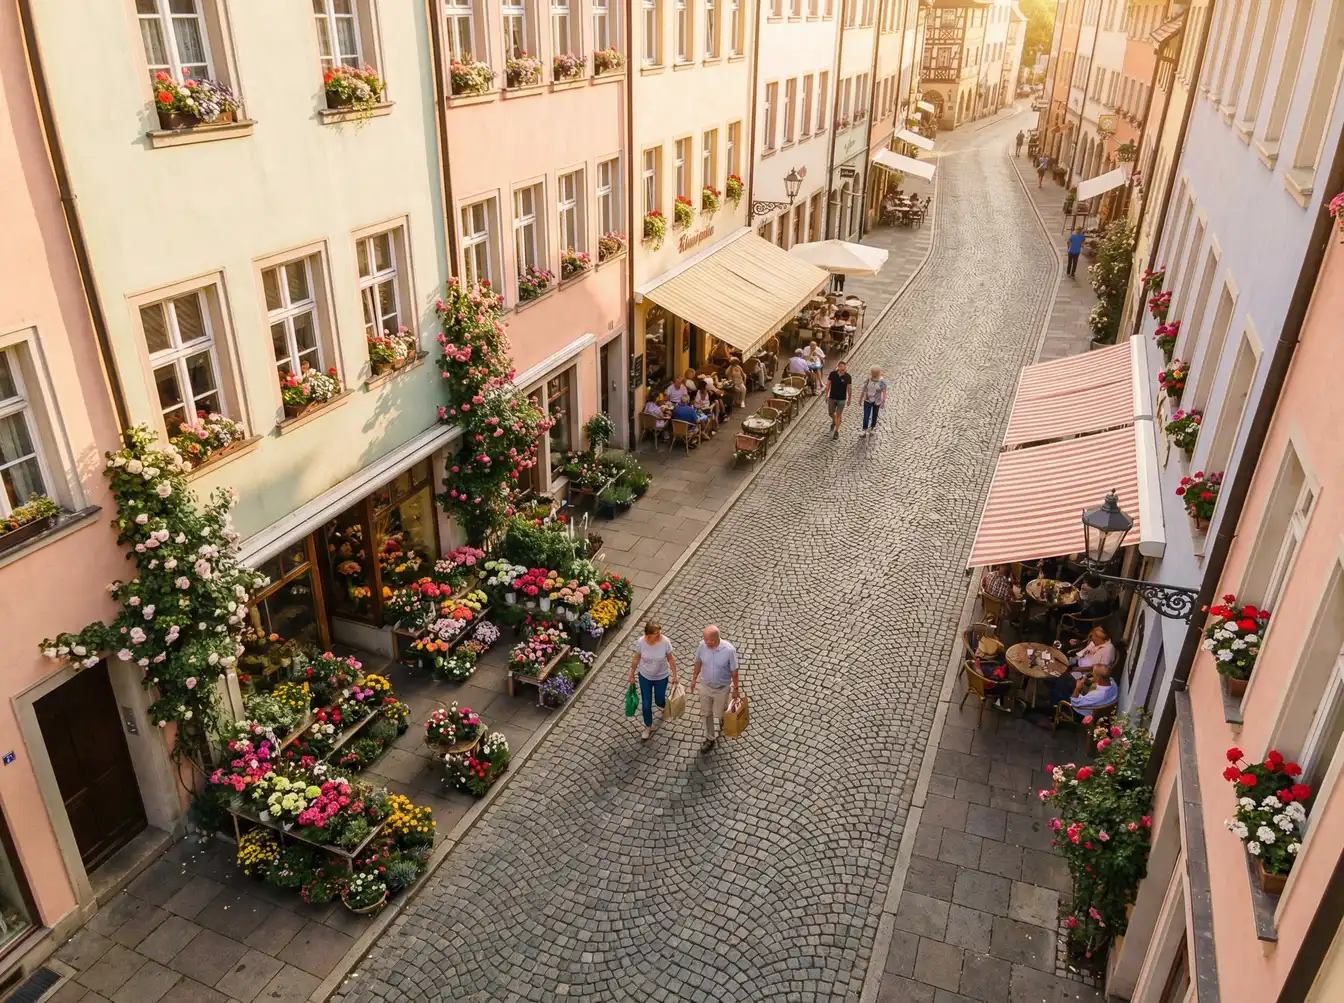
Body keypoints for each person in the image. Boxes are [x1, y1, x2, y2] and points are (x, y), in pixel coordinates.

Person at [689, 625, 739, 753]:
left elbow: (734, 672)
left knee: (719, 712)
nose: (705, 642)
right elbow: (698, 662)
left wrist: (735, 689)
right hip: (705, 686)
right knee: (706, 713)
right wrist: (694, 679)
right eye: (704, 639)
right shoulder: (702, 646)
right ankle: (710, 738)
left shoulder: (729, 651)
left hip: (722, 689)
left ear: (715, 639)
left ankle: (723, 717)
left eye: (708, 640)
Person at [628, 620, 678, 741]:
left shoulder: (665, 641)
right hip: (645, 677)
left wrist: (675, 676)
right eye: (657, 633)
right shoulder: (641, 642)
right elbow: (636, 658)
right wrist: (632, 674)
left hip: (661, 677)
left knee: (659, 700)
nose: (660, 634)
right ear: (649, 634)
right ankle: (648, 726)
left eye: (660, 631)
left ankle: (664, 706)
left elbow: (671, 659)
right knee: (646, 704)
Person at [1050, 662, 1118, 721]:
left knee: (1058, 689)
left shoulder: (1097, 695)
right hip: (1092, 703)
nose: (1092, 674)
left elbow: (1074, 702)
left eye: (1093, 674)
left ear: (1097, 679)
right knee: (1066, 680)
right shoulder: (1113, 683)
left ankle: (1052, 705)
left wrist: (1077, 688)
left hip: (1079, 713)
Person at [825, 361, 852, 440]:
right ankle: (834, 421)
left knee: (838, 415)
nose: (843, 369)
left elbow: (849, 388)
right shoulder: (832, 374)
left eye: (844, 368)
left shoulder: (848, 377)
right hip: (832, 397)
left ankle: (836, 431)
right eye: (842, 368)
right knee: (830, 413)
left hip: (841, 399)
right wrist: (826, 395)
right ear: (838, 367)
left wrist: (849, 398)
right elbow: (828, 384)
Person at [859, 367, 887, 437]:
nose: (873, 375)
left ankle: (872, 428)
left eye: (875, 374)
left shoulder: (882, 382)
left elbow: (884, 392)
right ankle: (864, 429)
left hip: (877, 401)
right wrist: (860, 398)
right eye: (873, 373)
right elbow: (864, 389)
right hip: (867, 400)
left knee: (875, 415)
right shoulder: (868, 380)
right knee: (866, 415)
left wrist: (883, 401)